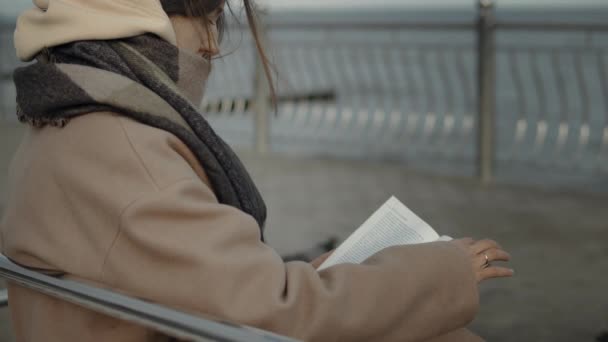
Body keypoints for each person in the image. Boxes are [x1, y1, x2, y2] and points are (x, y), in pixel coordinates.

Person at [0, 0, 514, 341]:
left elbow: (212, 287)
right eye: (206, 12)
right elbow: (274, 313)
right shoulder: (124, 148)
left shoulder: (70, 121)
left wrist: (321, 274)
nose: (212, 42)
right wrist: (441, 271)